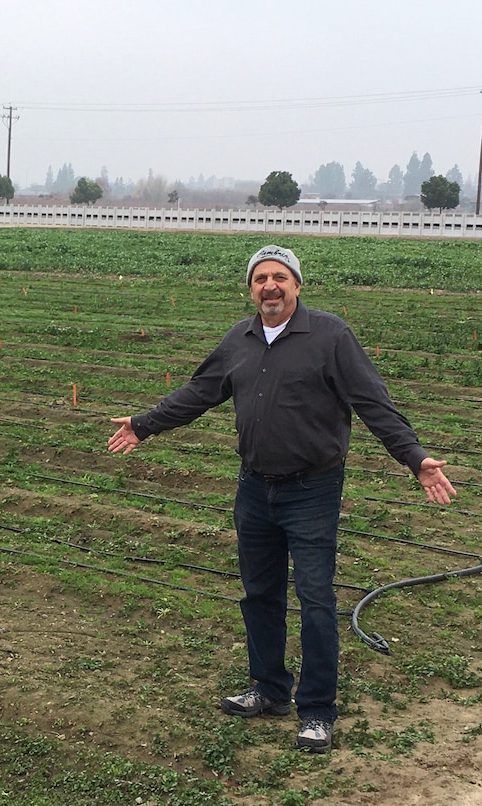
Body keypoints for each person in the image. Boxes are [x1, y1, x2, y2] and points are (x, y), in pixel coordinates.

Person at [107, 244, 456, 753]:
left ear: (297, 284)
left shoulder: (330, 336)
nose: (269, 286)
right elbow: (198, 392)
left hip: (312, 489)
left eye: (279, 277)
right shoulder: (240, 338)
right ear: (251, 288)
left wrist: (414, 458)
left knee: (316, 598)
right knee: (260, 594)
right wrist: (144, 425)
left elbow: (373, 403)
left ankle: (316, 710)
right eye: (260, 279)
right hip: (254, 488)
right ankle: (268, 690)